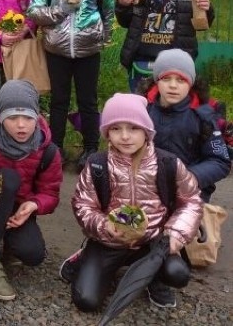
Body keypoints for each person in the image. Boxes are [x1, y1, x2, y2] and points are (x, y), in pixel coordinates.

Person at [65, 93, 202, 312]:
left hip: (153, 241)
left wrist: (176, 234)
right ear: (107, 132)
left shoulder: (168, 163)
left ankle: (154, 279)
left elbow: (191, 201)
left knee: (178, 273)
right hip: (108, 241)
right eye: (116, 128)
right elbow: (83, 204)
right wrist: (104, 226)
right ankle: (92, 262)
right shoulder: (97, 164)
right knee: (86, 301)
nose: (125, 136)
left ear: (146, 131)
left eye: (133, 128)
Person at [0, 80, 62, 302]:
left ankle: (8, 243)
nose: (21, 125)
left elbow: (51, 193)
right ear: (0, 118)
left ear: (37, 116)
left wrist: (34, 204)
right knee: (8, 177)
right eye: (12, 118)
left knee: (33, 254)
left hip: (15, 211)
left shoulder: (48, 151)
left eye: (28, 117)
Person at [27, 0, 114, 168]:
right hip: (56, 50)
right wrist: (61, 9)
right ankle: (55, 148)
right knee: (59, 101)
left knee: (88, 101)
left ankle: (90, 149)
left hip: (88, 51)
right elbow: (34, 12)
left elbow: (108, 11)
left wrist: (104, 38)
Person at [143, 49, 230, 202]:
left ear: (191, 83)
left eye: (181, 80)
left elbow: (220, 161)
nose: (173, 85)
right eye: (166, 79)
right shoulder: (142, 111)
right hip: (147, 190)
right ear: (156, 81)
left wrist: (190, 177)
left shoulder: (204, 117)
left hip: (190, 192)